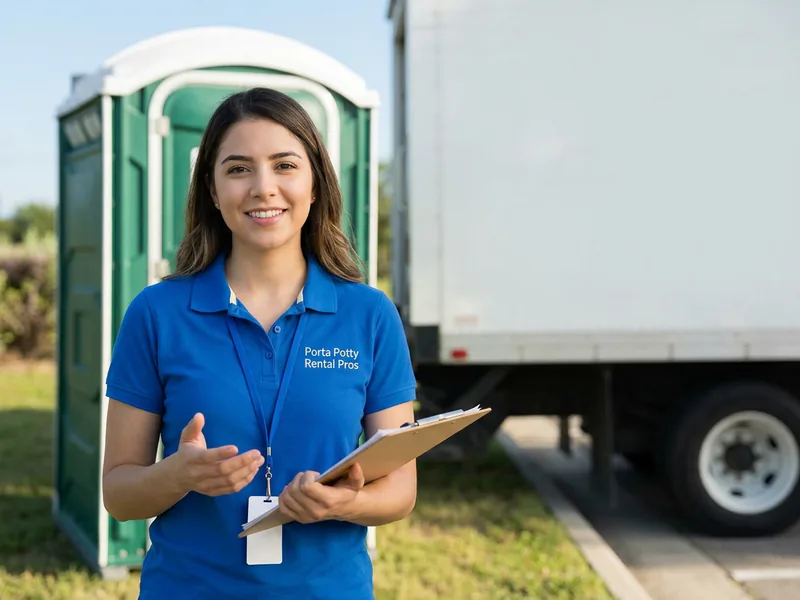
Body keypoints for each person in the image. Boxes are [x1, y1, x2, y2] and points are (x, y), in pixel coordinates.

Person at [101, 87, 418, 599]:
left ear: (315, 184)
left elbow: (401, 489)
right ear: (212, 189)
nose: (263, 188)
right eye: (238, 169)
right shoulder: (156, 313)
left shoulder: (370, 315)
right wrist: (177, 475)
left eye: (284, 165)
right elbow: (118, 495)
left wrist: (344, 504)